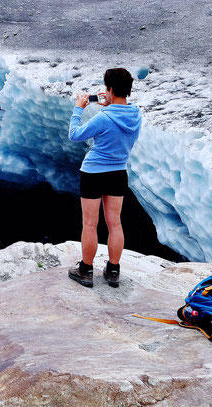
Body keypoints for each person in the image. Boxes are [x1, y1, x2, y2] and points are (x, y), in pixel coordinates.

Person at [67, 68, 142, 288]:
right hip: (118, 173)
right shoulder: (136, 114)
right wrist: (111, 105)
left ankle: (86, 270)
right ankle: (113, 271)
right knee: (115, 223)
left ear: (109, 89)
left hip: (93, 173)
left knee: (90, 224)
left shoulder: (103, 118)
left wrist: (78, 109)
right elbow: (120, 126)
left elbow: (75, 135)